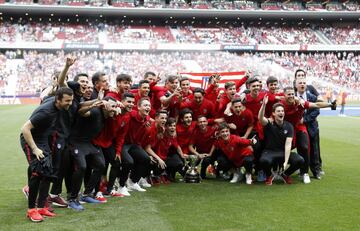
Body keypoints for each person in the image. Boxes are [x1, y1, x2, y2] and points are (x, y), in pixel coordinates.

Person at [20, 87, 74, 222]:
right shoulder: (46, 112)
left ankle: (41, 207)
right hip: (30, 139)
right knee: (37, 173)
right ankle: (31, 210)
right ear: (58, 100)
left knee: (48, 173)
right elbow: (25, 128)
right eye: (67, 101)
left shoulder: (56, 102)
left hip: (43, 139)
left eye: (71, 100)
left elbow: (48, 93)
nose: (70, 103)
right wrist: (34, 149)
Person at [67, 96, 118, 210]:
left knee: (100, 165)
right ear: (104, 106)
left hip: (88, 143)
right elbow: (81, 112)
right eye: (112, 106)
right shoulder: (95, 112)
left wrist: (116, 108)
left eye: (115, 106)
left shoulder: (108, 115)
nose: (114, 109)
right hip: (76, 142)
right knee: (82, 167)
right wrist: (91, 106)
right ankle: (72, 199)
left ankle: (86, 194)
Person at [281, 86, 336, 184]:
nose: (291, 96)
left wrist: (330, 105)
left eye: (292, 94)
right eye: (288, 94)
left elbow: (315, 105)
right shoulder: (281, 105)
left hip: (299, 127)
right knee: (282, 149)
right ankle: (279, 171)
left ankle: (305, 173)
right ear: (284, 95)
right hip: (287, 130)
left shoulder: (301, 103)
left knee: (305, 147)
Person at [258, 96, 304, 186]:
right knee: (263, 161)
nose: (281, 113)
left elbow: (288, 145)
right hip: (270, 151)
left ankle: (285, 174)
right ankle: (269, 175)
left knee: (300, 160)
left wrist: (286, 162)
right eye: (278, 111)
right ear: (274, 114)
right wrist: (263, 105)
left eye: (282, 111)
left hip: (283, 152)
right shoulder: (269, 123)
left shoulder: (289, 126)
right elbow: (260, 118)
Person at [296, 78, 322, 180]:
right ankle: (302, 171)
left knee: (314, 150)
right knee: (302, 149)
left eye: (304, 83)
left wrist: (305, 120)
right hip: (298, 128)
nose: (302, 85)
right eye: (300, 83)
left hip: (311, 126)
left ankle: (316, 171)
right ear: (296, 85)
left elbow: (317, 110)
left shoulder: (312, 97)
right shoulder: (292, 96)